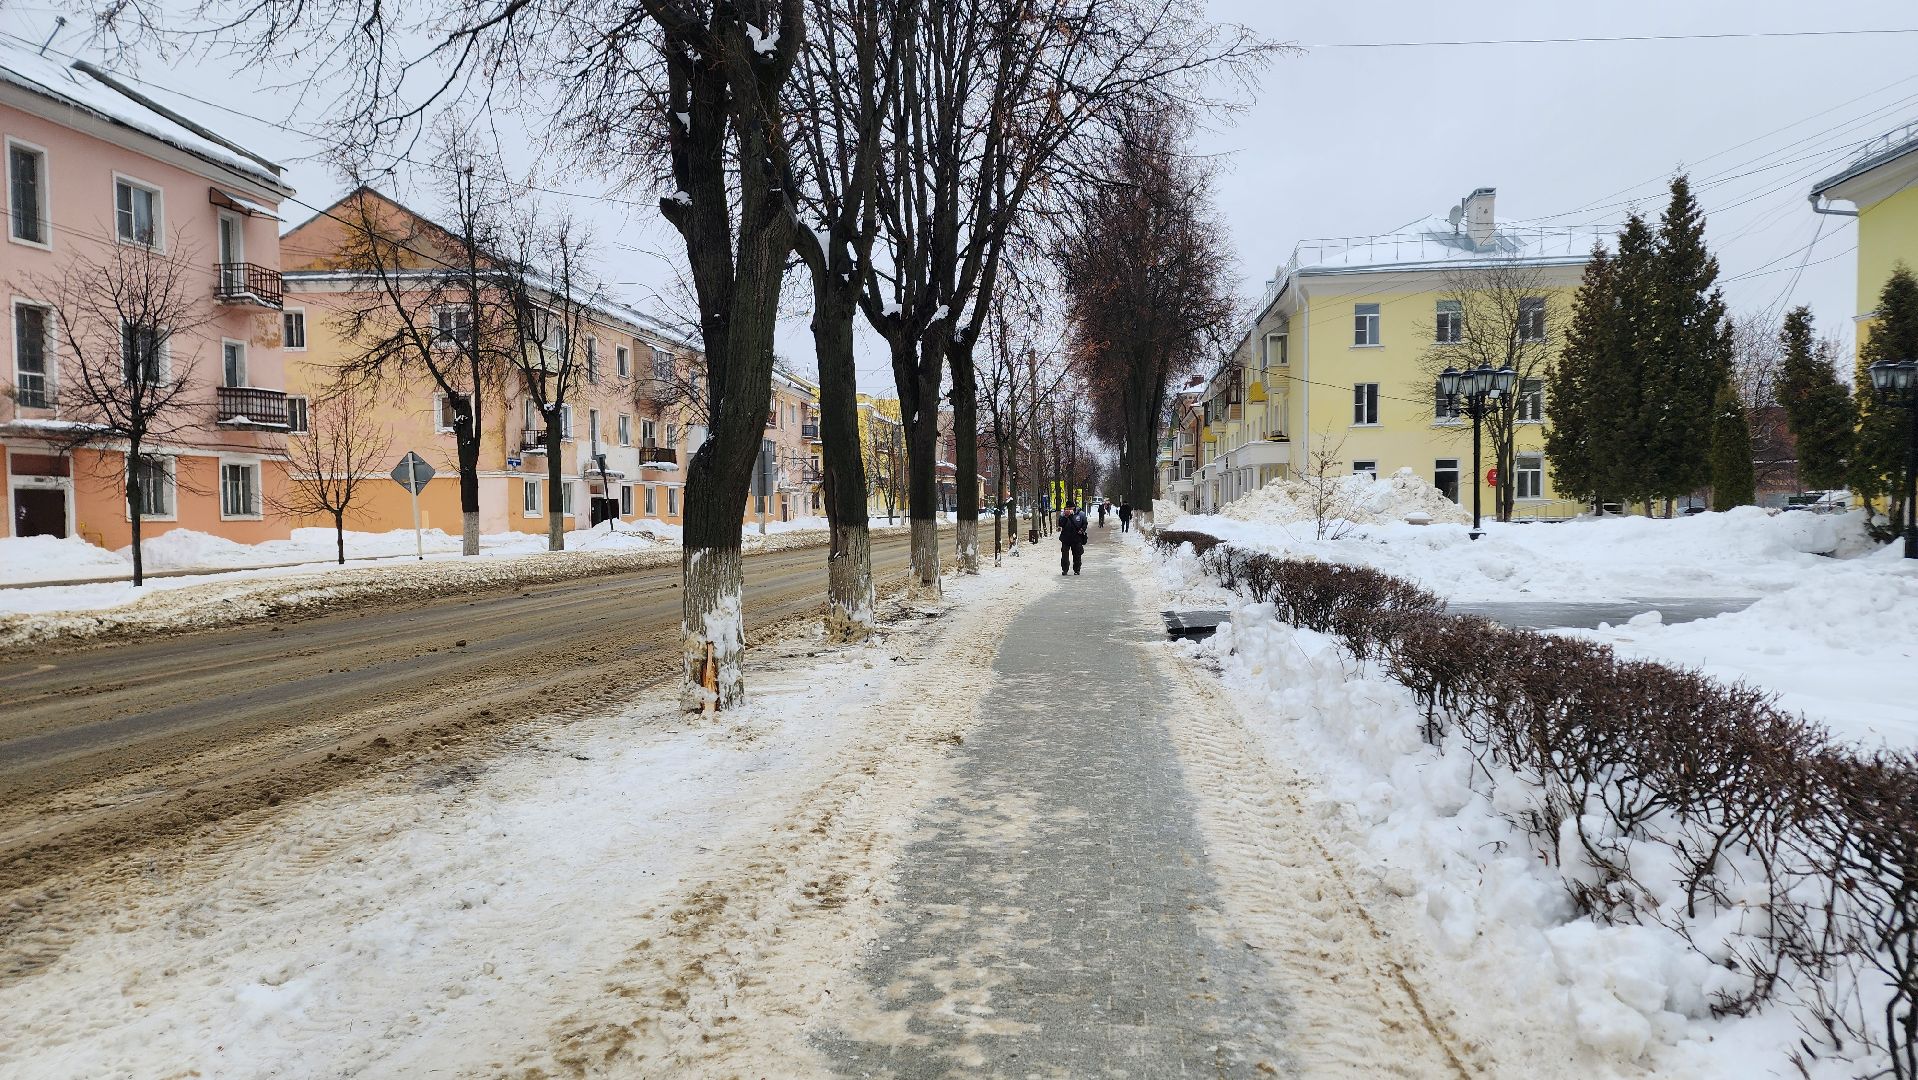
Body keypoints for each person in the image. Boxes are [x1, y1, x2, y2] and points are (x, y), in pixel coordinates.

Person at [1058, 502, 1088, 575]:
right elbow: (1061, 524)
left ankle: (1077, 569)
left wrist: (1082, 529)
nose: (1069, 510)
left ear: (1074, 508)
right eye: (1067, 508)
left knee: (1077, 554)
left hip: (1076, 538)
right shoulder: (1063, 515)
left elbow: (1085, 523)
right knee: (1064, 555)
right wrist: (1066, 516)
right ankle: (1065, 569)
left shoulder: (1080, 514)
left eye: (1070, 508)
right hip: (1066, 538)